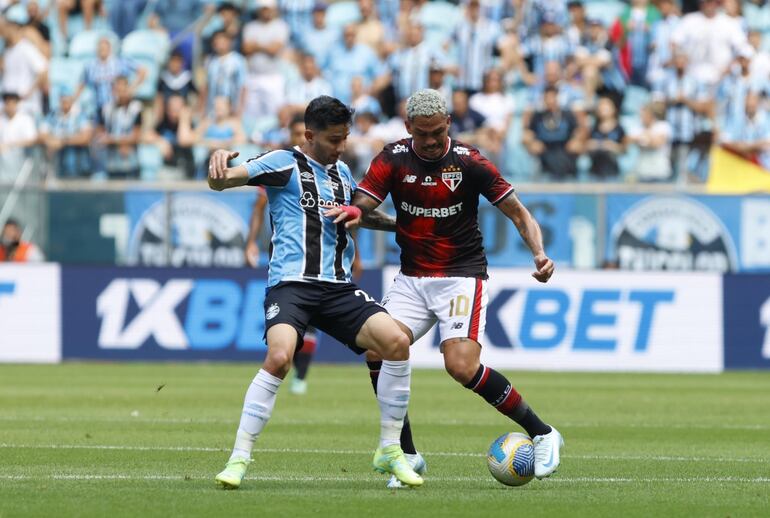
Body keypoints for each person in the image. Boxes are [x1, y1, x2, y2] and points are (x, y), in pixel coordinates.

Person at [327, 89, 563, 488]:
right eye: (423, 134)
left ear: (448, 124)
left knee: (461, 366)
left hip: (460, 274)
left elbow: (517, 211)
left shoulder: (470, 163)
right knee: (377, 350)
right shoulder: (393, 158)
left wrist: (539, 253)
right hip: (411, 277)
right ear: (408, 128)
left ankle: (542, 433)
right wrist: (355, 211)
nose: (432, 140)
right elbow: (364, 204)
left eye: (438, 131)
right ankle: (407, 455)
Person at [208, 95, 423, 489]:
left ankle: (391, 449)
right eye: (334, 139)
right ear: (309, 135)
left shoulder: (342, 172)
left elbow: (362, 214)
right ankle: (238, 459)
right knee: (279, 357)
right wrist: (219, 157)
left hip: (338, 288)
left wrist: (405, 227)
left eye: (345, 138)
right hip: (292, 284)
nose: (342, 147)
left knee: (396, 342)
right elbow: (221, 181)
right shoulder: (281, 163)